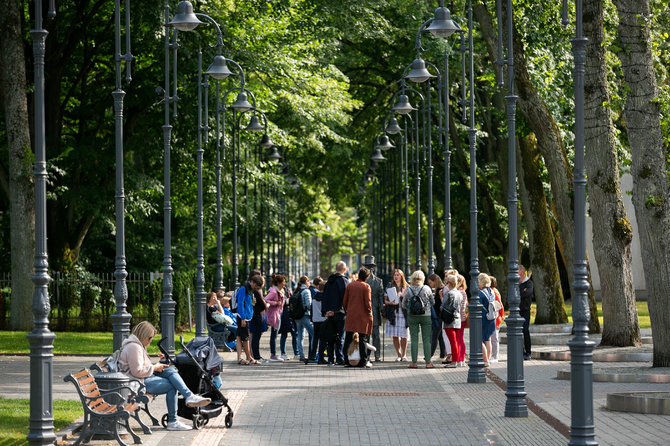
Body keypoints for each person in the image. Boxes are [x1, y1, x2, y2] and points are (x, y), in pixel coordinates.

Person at [118, 321, 211, 431]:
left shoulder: (137, 345)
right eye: (150, 338)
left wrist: (157, 365)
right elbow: (137, 371)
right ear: (143, 335)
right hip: (136, 384)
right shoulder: (134, 347)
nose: (150, 341)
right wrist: (155, 368)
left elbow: (140, 367)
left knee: (170, 371)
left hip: (141, 379)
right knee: (172, 385)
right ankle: (173, 420)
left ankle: (189, 396)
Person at [402, 270, 435, 369]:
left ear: (412, 279)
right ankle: (428, 363)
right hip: (426, 316)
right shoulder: (426, 289)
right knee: (426, 339)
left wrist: (410, 309)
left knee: (414, 339)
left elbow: (403, 304)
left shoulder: (408, 290)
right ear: (423, 279)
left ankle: (414, 363)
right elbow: (432, 302)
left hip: (412, 316)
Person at [342, 267, 373, 368]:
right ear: (367, 277)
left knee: (348, 338)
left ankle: (346, 360)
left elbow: (345, 301)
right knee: (363, 338)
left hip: (351, 315)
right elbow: (367, 303)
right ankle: (363, 362)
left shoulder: (350, 285)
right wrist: (369, 312)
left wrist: (348, 310)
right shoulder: (366, 287)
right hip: (362, 316)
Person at [322, 261, 349, 365]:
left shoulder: (330, 281)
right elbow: (345, 297)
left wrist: (325, 311)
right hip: (340, 312)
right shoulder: (343, 281)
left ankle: (330, 358)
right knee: (340, 336)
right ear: (344, 270)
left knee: (331, 336)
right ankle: (339, 357)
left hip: (330, 313)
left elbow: (325, 296)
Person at [235, 273, 265, 365]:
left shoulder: (250, 290)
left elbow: (248, 303)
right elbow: (240, 304)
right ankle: (249, 357)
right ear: (251, 282)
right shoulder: (243, 289)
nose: (255, 288)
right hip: (242, 317)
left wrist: (252, 302)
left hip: (247, 316)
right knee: (246, 338)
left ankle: (240, 357)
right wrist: (243, 318)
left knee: (240, 337)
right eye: (255, 286)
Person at [384, 269, 409, 361]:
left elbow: (410, 301)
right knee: (395, 335)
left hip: (403, 313)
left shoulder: (406, 286)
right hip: (393, 313)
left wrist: (403, 296)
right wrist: (390, 303)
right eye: (395, 275)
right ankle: (398, 355)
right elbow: (385, 300)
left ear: (401, 276)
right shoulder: (389, 286)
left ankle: (404, 354)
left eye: (398, 275)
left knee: (404, 335)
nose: (396, 277)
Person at [362, 256, 384, 362]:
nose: (369, 269)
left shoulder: (379, 281)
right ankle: (366, 355)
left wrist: (382, 309)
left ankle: (377, 355)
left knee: (376, 335)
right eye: (367, 266)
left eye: (371, 266)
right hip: (364, 311)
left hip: (375, 310)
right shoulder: (362, 282)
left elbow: (381, 297)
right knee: (366, 335)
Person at [441, 274, 462, 368]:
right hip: (457, 318)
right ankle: (457, 360)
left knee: (452, 341)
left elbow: (443, 306)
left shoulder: (448, 293)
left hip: (449, 320)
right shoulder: (459, 293)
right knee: (456, 341)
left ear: (448, 283)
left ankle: (454, 362)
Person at [265, 273, 287, 362]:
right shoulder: (274, 291)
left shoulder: (278, 291)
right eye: (283, 282)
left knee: (274, 335)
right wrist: (275, 303)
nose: (284, 284)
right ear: (278, 283)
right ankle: (273, 354)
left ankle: (274, 354)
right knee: (273, 335)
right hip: (274, 315)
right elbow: (266, 299)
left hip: (278, 314)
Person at [293, 276, 314, 362]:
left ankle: (301, 355)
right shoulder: (306, 291)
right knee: (314, 334)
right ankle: (312, 354)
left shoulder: (297, 291)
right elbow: (309, 305)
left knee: (300, 337)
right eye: (309, 281)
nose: (310, 283)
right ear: (306, 282)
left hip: (297, 317)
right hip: (305, 316)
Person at [249, 271, 269, 361]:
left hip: (256, 314)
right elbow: (262, 304)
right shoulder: (256, 292)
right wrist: (267, 305)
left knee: (255, 336)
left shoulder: (253, 291)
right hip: (257, 315)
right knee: (256, 337)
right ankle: (256, 356)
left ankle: (254, 355)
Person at [427, 273, 447, 362]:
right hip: (440, 316)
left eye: (431, 283)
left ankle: (429, 355)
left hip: (438, 316)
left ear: (435, 281)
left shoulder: (440, 289)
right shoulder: (440, 289)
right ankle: (443, 355)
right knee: (440, 337)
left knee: (434, 336)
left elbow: (438, 304)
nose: (430, 285)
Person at [478, 273, 496, 366]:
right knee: (488, 339)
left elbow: (478, 306)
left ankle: (485, 360)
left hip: (483, 318)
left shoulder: (481, 293)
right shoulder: (491, 291)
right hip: (491, 317)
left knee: (479, 339)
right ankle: (488, 359)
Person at [309, 277, 327, 363]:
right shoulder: (325, 298)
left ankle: (312, 355)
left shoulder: (314, 297)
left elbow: (311, 309)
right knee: (323, 339)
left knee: (315, 338)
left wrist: (312, 318)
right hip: (323, 320)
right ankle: (321, 357)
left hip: (315, 320)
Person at [519, 265, 534, 360]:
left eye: (517, 270)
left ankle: (528, 352)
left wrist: (520, 293)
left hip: (525, 310)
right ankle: (521, 351)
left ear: (522, 271)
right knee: (518, 332)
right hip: (517, 310)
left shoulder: (528, 283)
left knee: (525, 330)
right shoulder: (515, 283)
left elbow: (527, 293)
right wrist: (521, 292)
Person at [489, 276, 505, 363]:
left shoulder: (494, 292)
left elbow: (500, 305)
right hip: (494, 316)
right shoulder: (492, 291)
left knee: (494, 338)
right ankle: (493, 355)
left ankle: (495, 356)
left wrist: (501, 315)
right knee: (492, 338)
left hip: (496, 317)